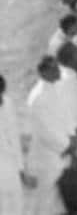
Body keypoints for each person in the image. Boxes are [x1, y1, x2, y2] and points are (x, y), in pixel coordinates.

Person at [27, 55, 77, 215]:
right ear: (43, 72)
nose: (58, 71)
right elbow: (45, 131)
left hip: (64, 153)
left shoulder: (57, 88)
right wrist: (66, 145)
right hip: (48, 156)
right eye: (54, 68)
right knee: (45, 201)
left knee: (60, 201)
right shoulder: (37, 97)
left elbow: (66, 115)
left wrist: (73, 137)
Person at [0, 74, 31, 214]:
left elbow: (14, 138)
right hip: (8, 168)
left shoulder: (7, 103)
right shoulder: (6, 103)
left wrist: (20, 168)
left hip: (9, 168)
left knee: (14, 205)